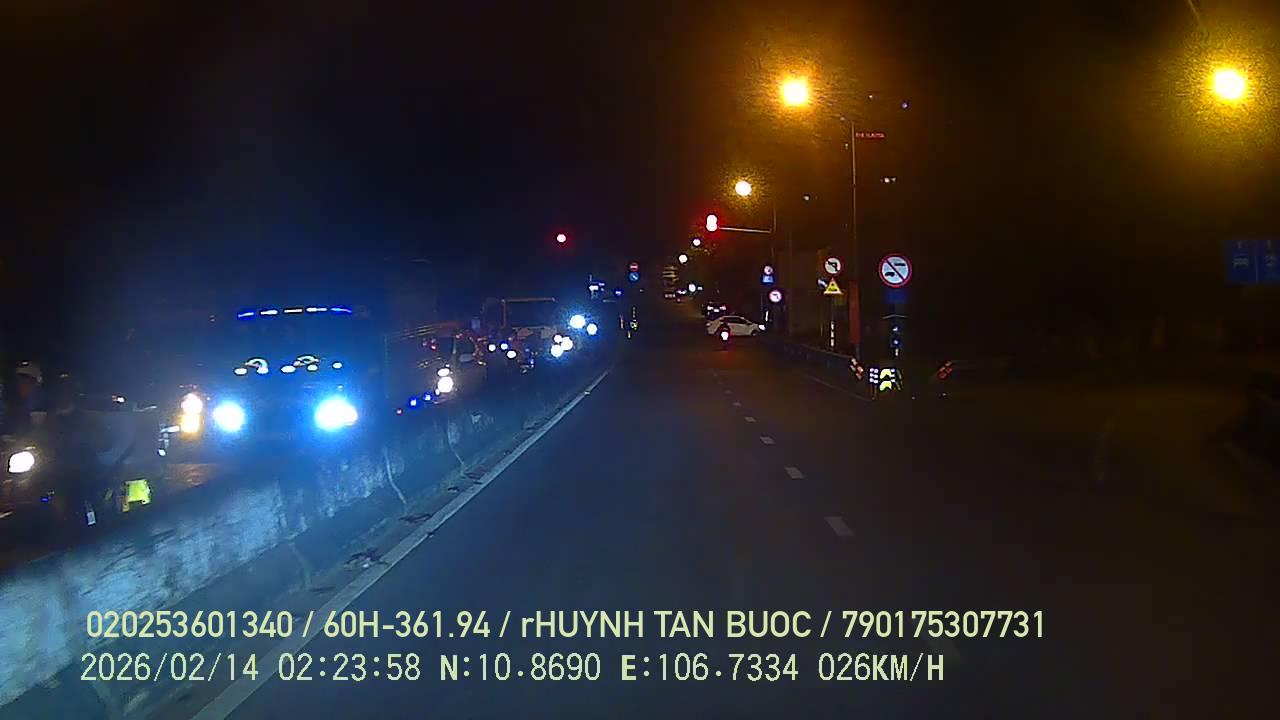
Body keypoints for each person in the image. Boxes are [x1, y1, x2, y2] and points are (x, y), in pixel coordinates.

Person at [1, 362, 45, 439]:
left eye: (27, 381)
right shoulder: (9, 400)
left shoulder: (38, 402)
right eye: (20, 380)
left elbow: (37, 428)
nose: (22, 384)